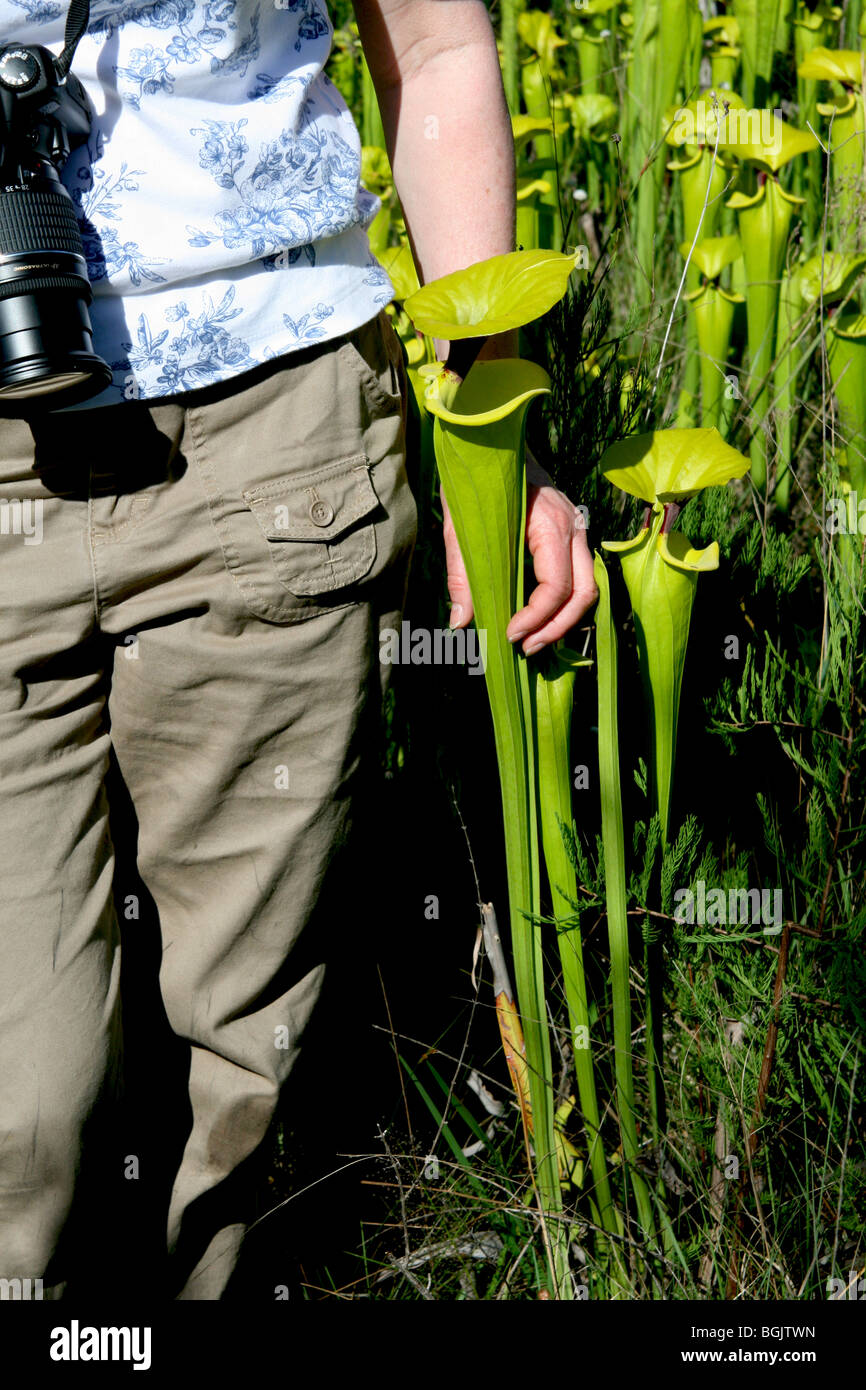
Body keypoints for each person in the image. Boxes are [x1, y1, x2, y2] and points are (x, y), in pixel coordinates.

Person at [0, 0, 596, 1300]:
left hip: (268, 428)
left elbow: (437, 43)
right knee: (17, 1116)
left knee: (246, 1062)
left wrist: (495, 425)